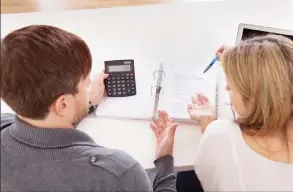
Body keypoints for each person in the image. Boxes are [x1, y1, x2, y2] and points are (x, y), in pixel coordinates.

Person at [1, 25, 178, 191]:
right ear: (63, 105)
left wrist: (88, 102)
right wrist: (165, 161)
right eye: (84, 82)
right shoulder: (119, 174)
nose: (90, 82)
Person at [185, 35, 293, 191]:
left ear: (253, 95)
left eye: (230, 87)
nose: (227, 89)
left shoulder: (219, 135)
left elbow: (215, 171)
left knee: (184, 178)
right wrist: (246, 62)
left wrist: (207, 121)